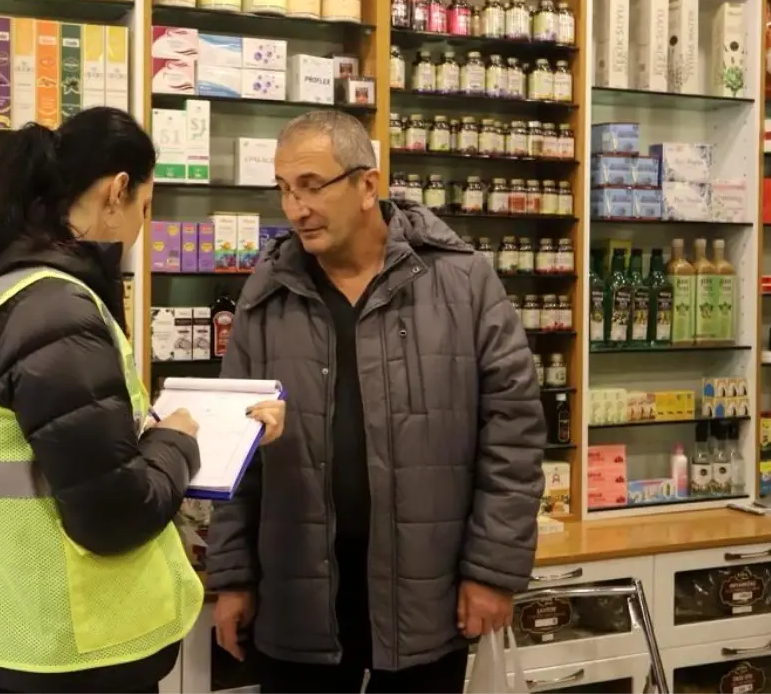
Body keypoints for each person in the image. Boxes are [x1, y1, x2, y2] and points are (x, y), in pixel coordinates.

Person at [0, 109, 285, 694]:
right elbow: (115, 514)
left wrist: (150, 431)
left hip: (16, 624)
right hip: (72, 646)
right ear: (118, 190)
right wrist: (178, 441)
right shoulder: (54, 309)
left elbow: (58, 452)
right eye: (146, 208)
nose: (141, 228)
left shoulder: (2, 291)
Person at [206, 110, 546, 693]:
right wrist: (233, 578)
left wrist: (492, 572)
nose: (295, 209)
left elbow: (512, 433)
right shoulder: (268, 294)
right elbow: (238, 457)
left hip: (426, 598)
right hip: (297, 603)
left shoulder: (462, 283)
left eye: (312, 186)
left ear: (367, 184)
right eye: (285, 189)